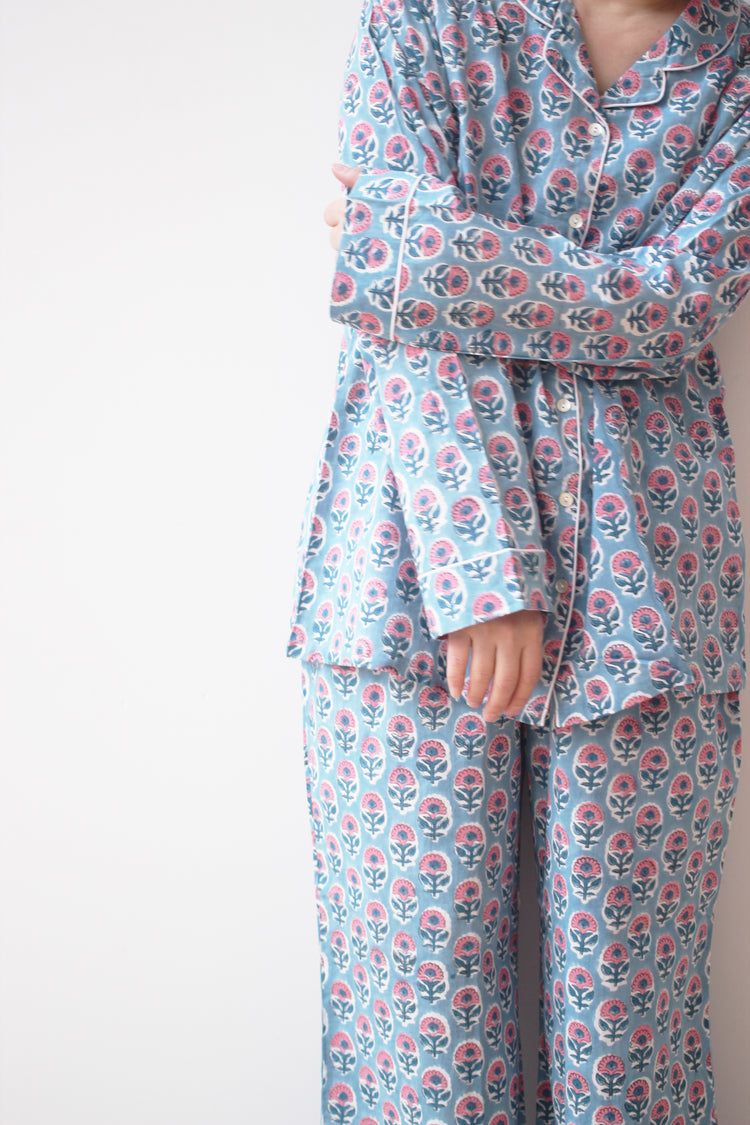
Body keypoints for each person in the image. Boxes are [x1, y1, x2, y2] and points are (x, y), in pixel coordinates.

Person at [286, 0, 750, 1121]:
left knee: (629, 1050)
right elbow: (422, 339)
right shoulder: (424, 25)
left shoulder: (740, 73)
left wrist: (421, 254)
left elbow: (676, 308)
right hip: (402, 582)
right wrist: (484, 569)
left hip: (653, 599)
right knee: (418, 1041)